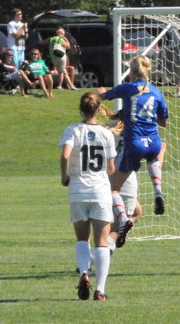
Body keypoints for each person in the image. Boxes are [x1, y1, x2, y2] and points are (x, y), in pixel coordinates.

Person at [98, 55, 168, 247]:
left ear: (132, 71)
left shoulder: (127, 88)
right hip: (153, 140)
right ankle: (158, 190)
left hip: (134, 143)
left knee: (112, 190)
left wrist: (101, 94)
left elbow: (105, 95)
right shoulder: (156, 91)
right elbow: (164, 121)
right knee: (153, 157)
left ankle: (123, 219)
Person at [59, 92, 116, 301]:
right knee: (102, 243)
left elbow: (65, 155)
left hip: (78, 190)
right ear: (99, 110)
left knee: (82, 239)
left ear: (81, 109)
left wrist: (64, 175)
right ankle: (100, 290)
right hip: (100, 191)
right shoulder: (106, 134)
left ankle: (84, 272)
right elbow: (111, 168)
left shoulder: (72, 130)